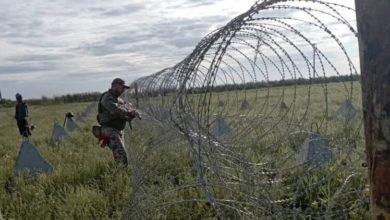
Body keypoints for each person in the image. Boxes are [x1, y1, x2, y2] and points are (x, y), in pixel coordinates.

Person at [97, 78, 139, 166]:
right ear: (115, 86)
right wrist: (129, 112)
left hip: (118, 129)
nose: (123, 90)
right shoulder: (107, 97)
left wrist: (132, 112)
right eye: (122, 87)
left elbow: (127, 108)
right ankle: (122, 173)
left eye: (124, 88)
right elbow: (115, 110)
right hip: (109, 129)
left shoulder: (119, 99)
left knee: (119, 152)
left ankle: (121, 171)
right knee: (121, 153)